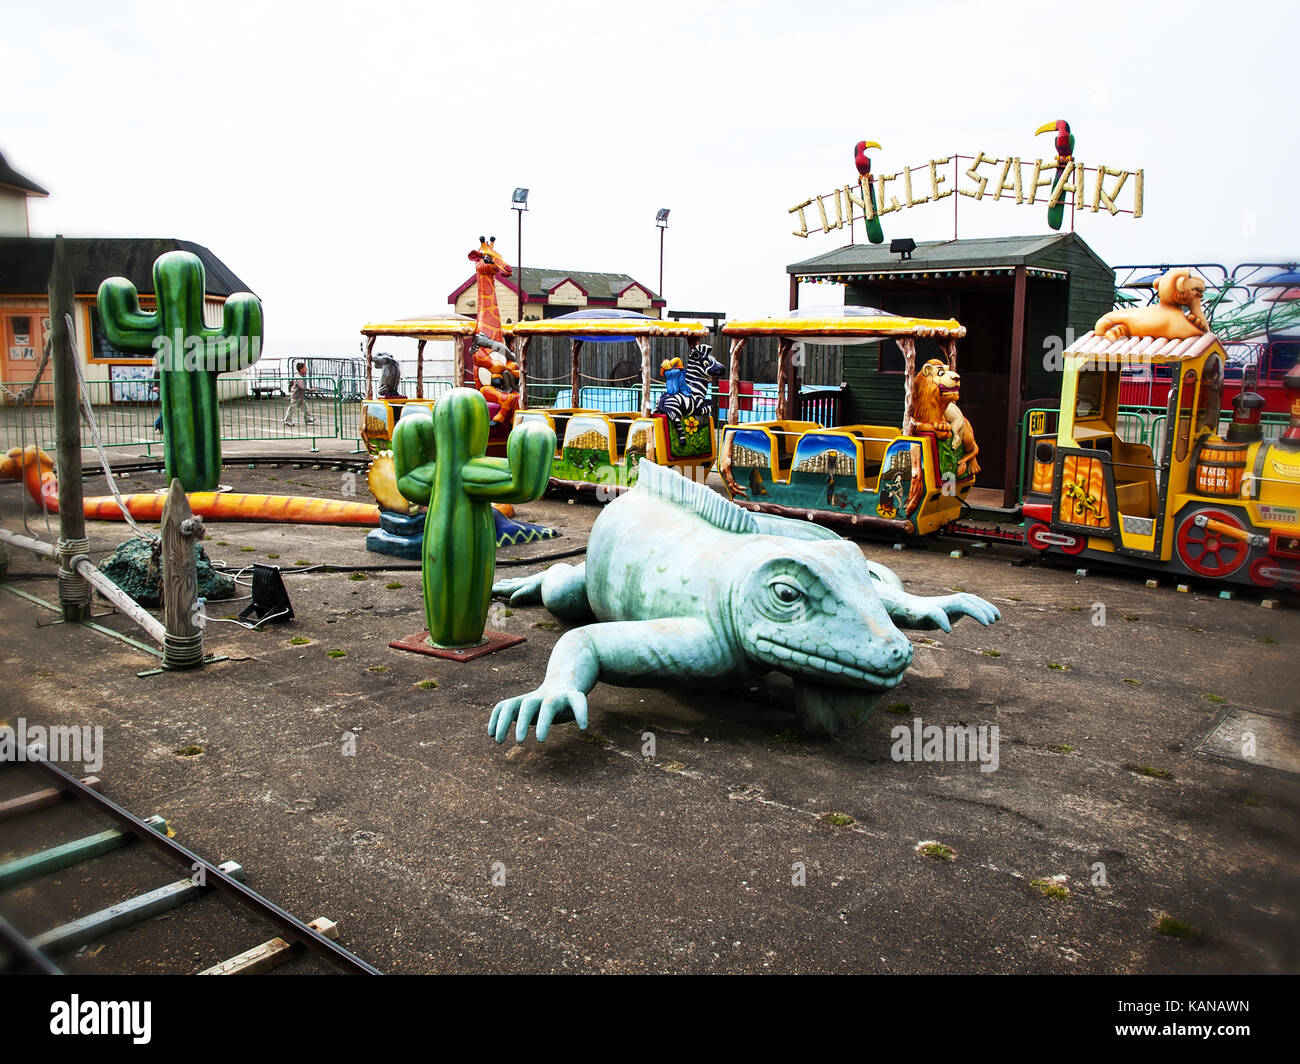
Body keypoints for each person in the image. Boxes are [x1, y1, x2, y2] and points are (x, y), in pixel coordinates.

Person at [284, 362, 316, 426]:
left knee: (305, 407)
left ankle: (308, 419)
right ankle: (287, 420)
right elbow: (302, 386)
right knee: (292, 408)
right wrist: (310, 389)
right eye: (305, 368)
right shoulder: (298, 377)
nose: (306, 369)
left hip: (300, 396)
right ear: (301, 369)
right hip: (295, 396)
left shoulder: (299, 376)